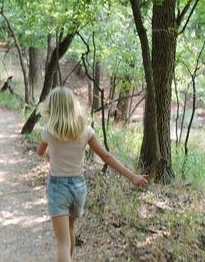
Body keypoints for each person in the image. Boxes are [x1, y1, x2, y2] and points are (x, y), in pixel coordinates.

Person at [37, 87, 148, 262]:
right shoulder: (86, 131)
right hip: (78, 188)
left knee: (62, 244)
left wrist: (51, 155)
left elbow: (40, 152)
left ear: (52, 108)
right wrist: (132, 176)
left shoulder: (48, 131)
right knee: (71, 229)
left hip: (58, 188)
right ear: (74, 106)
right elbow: (106, 156)